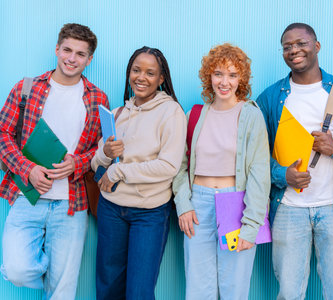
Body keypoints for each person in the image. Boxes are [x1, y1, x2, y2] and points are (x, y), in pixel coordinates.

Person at [257, 23, 333, 299]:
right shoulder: (271, 97)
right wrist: (282, 175)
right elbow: (256, 157)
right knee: (289, 292)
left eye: (301, 43)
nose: (294, 50)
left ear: (317, 46)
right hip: (288, 208)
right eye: (287, 46)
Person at [0, 23, 108, 299]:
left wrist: (78, 163)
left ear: (89, 60)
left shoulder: (97, 99)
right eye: (68, 50)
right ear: (57, 50)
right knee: (16, 269)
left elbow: (101, 150)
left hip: (72, 204)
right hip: (27, 196)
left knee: (63, 291)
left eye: (80, 54)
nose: (72, 58)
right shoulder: (27, 88)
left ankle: (60, 277)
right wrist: (28, 169)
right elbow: (3, 134)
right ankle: (56, 271)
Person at [172, 43, 270, 300]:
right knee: (197, 289)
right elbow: (180, 166)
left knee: (233, 288)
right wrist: (183, 204)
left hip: (236, 206)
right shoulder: (194, 114)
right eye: (218, 74)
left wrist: (251, 225)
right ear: (209, 76)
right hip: (198, 205)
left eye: (232, 75)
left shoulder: (251, 115)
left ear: (242, 79)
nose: (224, 82)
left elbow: (260, 175)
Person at [91, 46, 186, 300]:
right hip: (111, 209)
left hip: (150, 213)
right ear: (129, 73)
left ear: (161, 79)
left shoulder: (172, 112)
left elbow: (169, 166)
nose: (141, 77)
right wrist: (106, 154)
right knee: (108, 286)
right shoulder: (119, 112)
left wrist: (119, 171)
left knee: (139, 292)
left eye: (150, 72)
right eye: (136, 70)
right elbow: (96, 163)